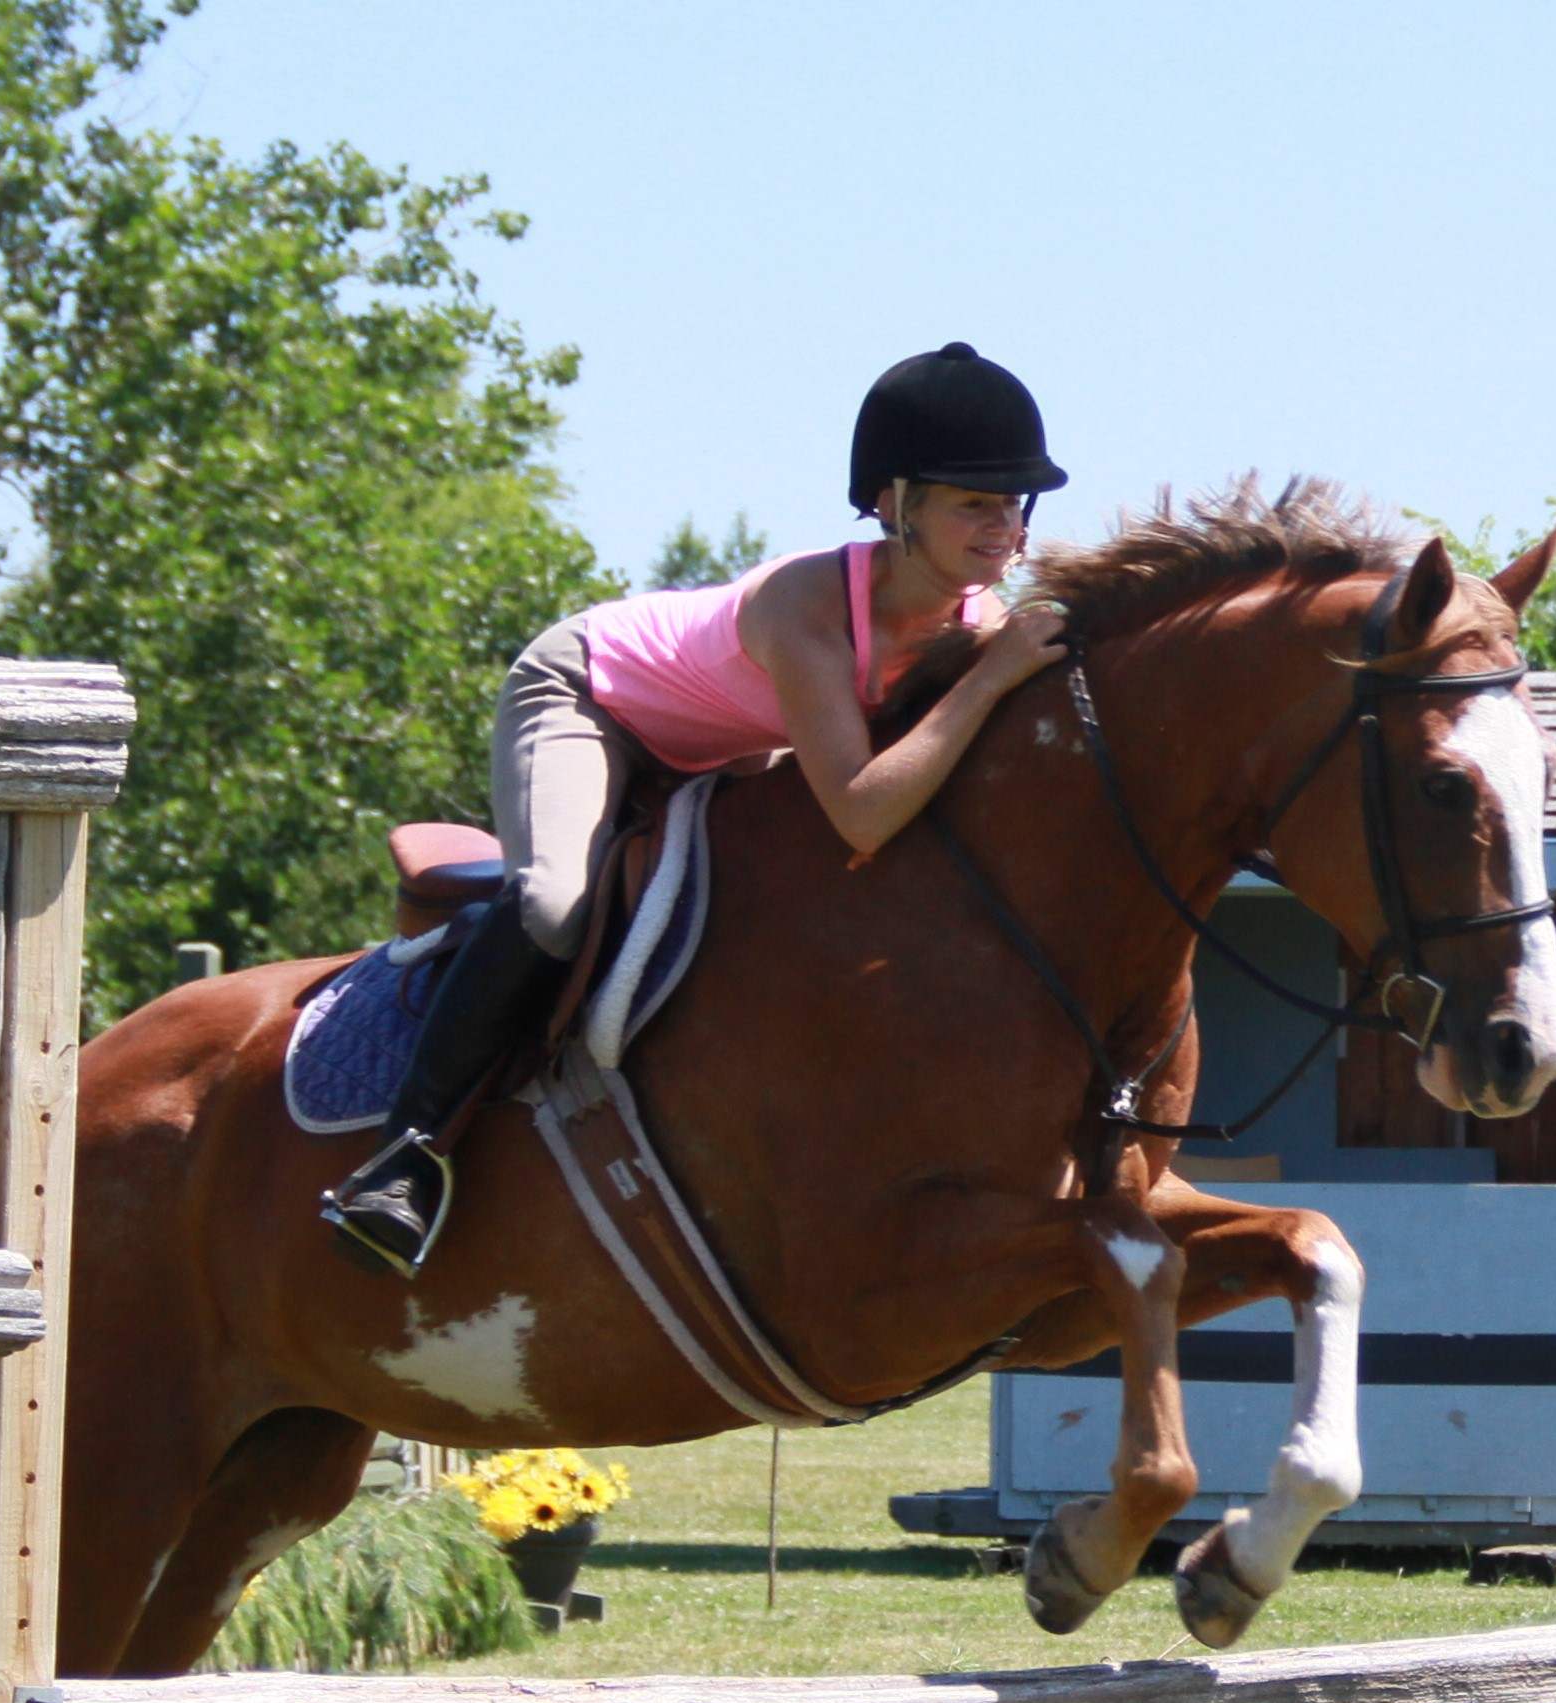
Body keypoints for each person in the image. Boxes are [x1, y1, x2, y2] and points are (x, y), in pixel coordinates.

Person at [324, 341, 1078, 1275]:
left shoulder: (978, 622)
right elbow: (860, 812)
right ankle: (401, 1157)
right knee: (556, 904)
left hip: (723, 747)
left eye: (1014, 505)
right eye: (975, 503)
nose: (1002, 527)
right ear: (894, 504)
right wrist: (994, 678)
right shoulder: (806, 609)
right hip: (590, 697)